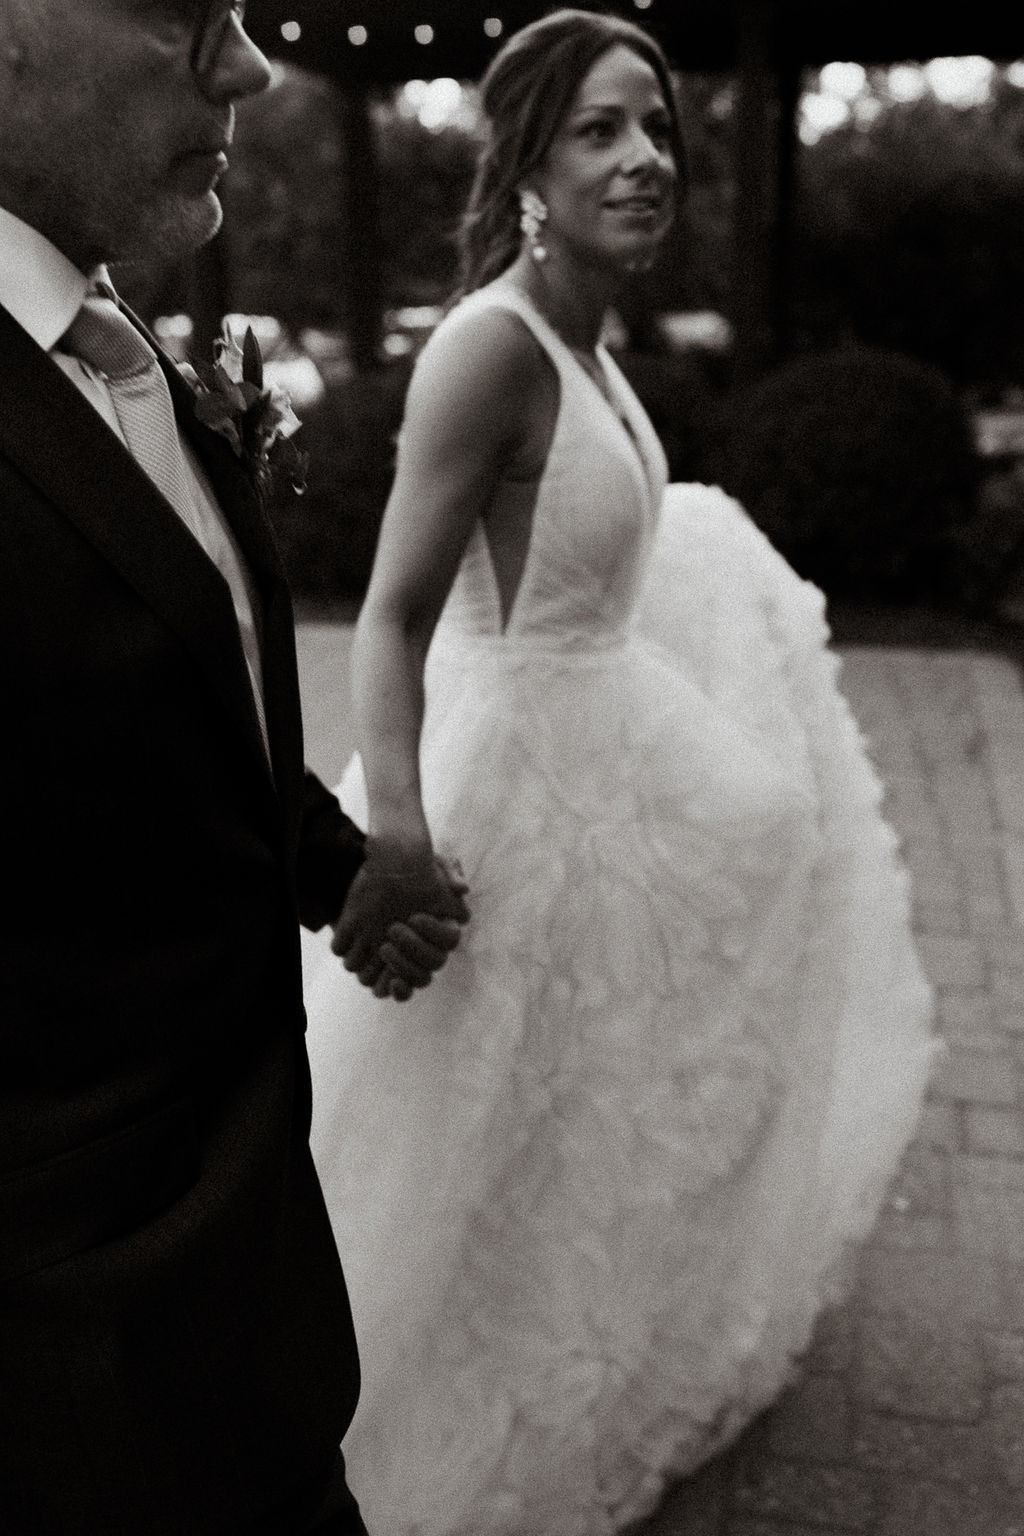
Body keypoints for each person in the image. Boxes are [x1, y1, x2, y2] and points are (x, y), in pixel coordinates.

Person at [303, 8, 938, 1533]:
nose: (646, 158)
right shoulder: (488, 350)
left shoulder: (590, 347)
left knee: (571, 1148)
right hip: (508, 799)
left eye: (656, 126)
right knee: (457, 1170)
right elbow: (388, 618)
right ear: (527, 163)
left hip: (610, 789)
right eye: (600, 129)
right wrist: (397, 831)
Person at [0, 4, 468, 1533]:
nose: (253, 65)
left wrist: (334, 863)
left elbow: (157, 714)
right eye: (178, 13)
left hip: (246, 1319)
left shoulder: (114, 336)